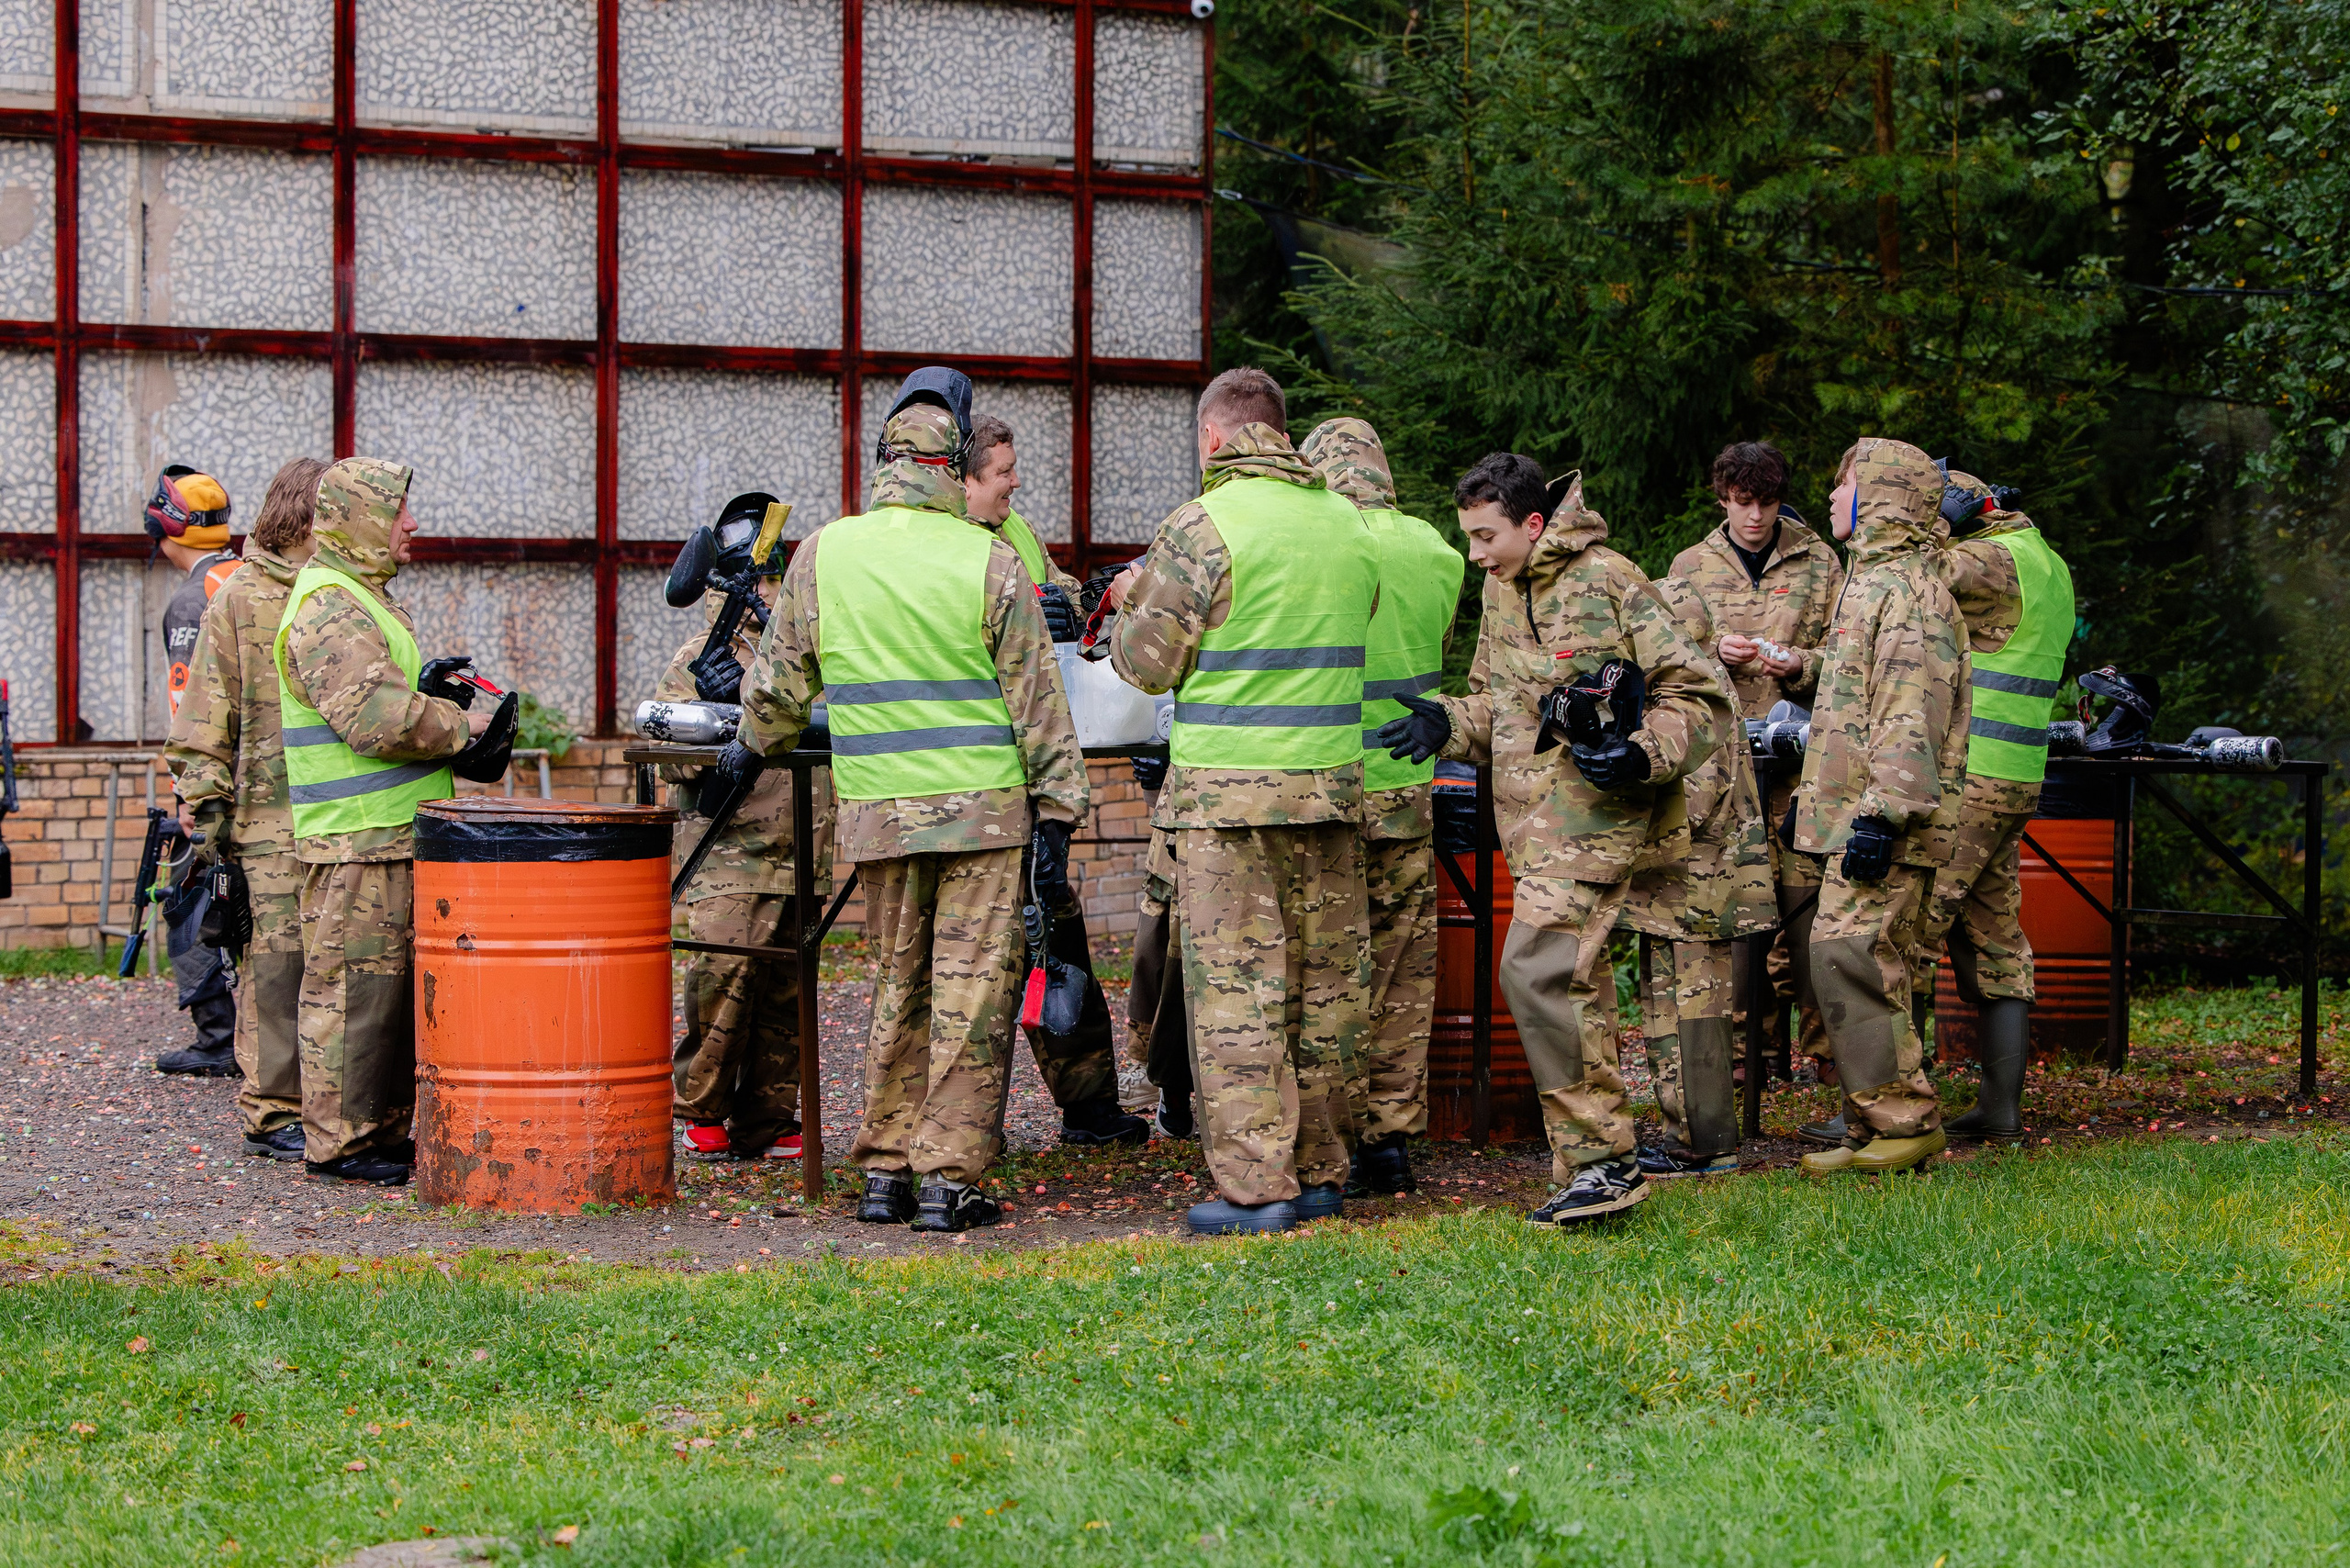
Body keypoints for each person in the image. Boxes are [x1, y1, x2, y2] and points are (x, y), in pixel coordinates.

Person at [722, 368, 1091, 1233]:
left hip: (879, 815)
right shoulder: (990, 561)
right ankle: (947, 1181)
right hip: (984, 819)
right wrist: (1060, 817)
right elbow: (1040, 707)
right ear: (950, 466)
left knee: (899, 988)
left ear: (884, 462)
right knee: (971, 997)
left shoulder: (824, 551)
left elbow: (774, 695)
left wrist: (747, 748)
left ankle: (884, 1171)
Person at [1373, 455, 1729, 1226]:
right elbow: (1499, 706)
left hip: (1601, 817)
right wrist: (1449, 723)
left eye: (1484, 536)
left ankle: (1602, 1162)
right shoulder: (1504, 588)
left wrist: (1641, 752)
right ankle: (1596, 1166)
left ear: (1534, 524)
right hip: (1530, 829)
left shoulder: (1611, 579)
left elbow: (1697, 696)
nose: (1474, 554)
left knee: (1533, 969)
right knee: (1575, 989)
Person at [1102, 366, 1379, 1235]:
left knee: (1238, 996)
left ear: (1213, 439)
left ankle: (1258, 1187)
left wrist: (1126, 608)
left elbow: (1145, 666)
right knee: (1327, 994)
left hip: (1228, 804)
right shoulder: (1347, 521)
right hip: (1330, 793)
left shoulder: (1200, 524)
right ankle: (1326, 1173)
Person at [274, 459, 514, 1185]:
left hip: (382, 837)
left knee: (382, 999)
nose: (412, 524)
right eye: (399, 512)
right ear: (361, 519)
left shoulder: (358, 598)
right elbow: (374, 719)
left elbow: (378, 697)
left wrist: (424, 689)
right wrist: (460, 723)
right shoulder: (330, 603)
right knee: (352, 998)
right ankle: (342, 1144)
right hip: (356, 842)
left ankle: (373, 1134)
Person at [960, 415, 1147, 1147]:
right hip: (981, 779)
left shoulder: (1017, 531)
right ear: (964, 477)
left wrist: (1081, 595)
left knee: (1055, 941)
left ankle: (1090, 1108)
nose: (1014, 481)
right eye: (1002, 470)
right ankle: (968, 1130)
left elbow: (1057, 593)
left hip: (1035, 774)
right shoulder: (951, 552)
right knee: (977, 972)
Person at [1787, 437, 1969, 1177]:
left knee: (1853, 952)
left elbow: (1909, 709)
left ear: (1884, 495)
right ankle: (1875, 1125)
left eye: (1846, 484)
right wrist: (1797, 667)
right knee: (1848, 956)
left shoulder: (1910, 591)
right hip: (1859, 812)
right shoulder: (1875, 581)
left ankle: (1906, 1121)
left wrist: (1883, 814)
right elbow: (1858, 682)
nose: (1831, 497)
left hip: (1887, 820)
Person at [1298, 415, 1462, 1196]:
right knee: (1402, 966)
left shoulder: (1325, 540)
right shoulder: (1436, 550)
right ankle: (1389, 1141)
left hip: (1329, 782)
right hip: (1407, 784)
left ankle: (1324, 1135)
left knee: (1331, 969)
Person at [657, 491, 832, 1164]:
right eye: (756, 579)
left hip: (800, 851)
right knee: (722, 987)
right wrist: (712, 705)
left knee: (785, 999)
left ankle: (768, 1115)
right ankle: (700, 1108)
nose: (767, 591)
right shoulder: (698, 657)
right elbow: (670, 753)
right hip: (727, 856)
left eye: (774, 578)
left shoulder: (804, 657)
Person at [165, 456, 331, 1158]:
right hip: (267, 821)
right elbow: (203, 712)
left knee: (331, 973)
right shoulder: (239, 595)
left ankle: (332, 1111)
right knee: (275, 968)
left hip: (336, 820)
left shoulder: (340, 594)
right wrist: (205, 814)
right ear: (305, 515)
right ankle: (271, 1113)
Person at [1907, 468, 2076, 1140]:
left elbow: (1904, 583)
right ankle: (1999, 1109)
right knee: (1995, 936)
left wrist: (1936, 524)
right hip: (2015, 774)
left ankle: (1891, 1111)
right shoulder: (2048, 562)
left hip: (1968, 774)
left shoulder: (1985, 558)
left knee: (1909, 933)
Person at [1669, 442, 1841, 1092]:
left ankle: (1827, 1053)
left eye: (1767, 503)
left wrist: (1802, 665)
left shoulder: (1821, 561)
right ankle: (1749, 1055)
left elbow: (1850, 658)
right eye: (1743, 504)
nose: (1755, 518)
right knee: (1739, 913)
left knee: (1812, 910)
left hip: (1804, 768)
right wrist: (1715, 652)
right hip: (1726, 771)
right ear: (1723, 499)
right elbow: (1667, 659)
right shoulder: (1690, 566)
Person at [1622, 577, 1775, 1178]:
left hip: (1696, 888)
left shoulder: (1697, 698)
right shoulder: (1695, 688)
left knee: (1694, 1016)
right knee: (1671, 1012)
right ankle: (1687, 1132)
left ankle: (1704, 1141)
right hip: (1679, 889)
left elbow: (1698, 796)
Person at [147, 465, 244, 1077]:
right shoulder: (250, 578)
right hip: (273, 782)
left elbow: (192, 709)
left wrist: (191, 795)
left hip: (218, 785)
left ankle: (216, 1036)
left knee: (185, 899)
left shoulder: (192, 601)